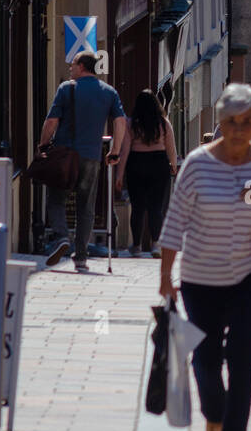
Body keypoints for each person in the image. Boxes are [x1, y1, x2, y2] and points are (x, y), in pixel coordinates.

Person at [157, 83, 251, 431]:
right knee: (205, 355)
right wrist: (166, 275)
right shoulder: (198, 164)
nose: (238, 129)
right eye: (231, 122)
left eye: (247, 122)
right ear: (219, 121)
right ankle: (214, 417)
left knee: (244, 351)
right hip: (201, 277)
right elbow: (175, 221)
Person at [39, 51, 129, 271]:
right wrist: (115, 150)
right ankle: (81, 257)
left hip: (64, 155)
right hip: (91, 156)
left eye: (73, 64)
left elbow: (51, 121)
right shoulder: (109, 92)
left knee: (56, 200)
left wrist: (42, 145)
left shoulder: (66, 89)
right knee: (85, 206)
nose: (70, 68)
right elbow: (120, 122)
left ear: (82, 66)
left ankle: (61, 237)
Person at [114, 90, 178, 259]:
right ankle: (156, 244)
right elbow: (171, 147)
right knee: (156, 207)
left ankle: (136, 245)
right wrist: (173, 165)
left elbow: (125, 150)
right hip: (159, 164)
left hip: (136, 165)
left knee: (138, 207)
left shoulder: (131, 123)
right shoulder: (163, 123)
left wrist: (119, 175)